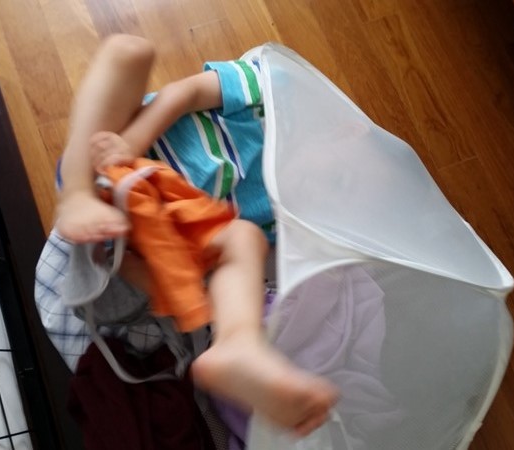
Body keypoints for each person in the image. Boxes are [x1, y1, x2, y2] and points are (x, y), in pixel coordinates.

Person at [54, 34, 338, 437]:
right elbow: (181, 95)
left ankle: (237, 343)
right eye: (340, 176)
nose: (325, 185)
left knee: (245, 239)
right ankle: (76, 195)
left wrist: (183, 276)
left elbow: (221, 253)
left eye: (335, 188)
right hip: (114, 158)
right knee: (130, 51)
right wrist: (128, 146)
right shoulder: (270, 93)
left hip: (149, 234)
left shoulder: (288, 208)